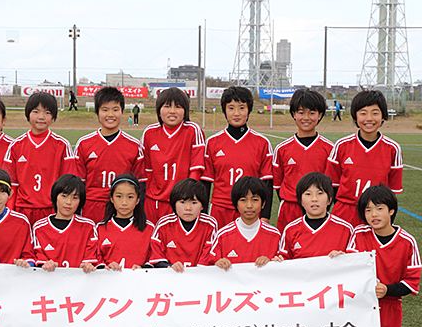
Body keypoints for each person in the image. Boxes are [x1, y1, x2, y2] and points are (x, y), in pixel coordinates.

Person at [271, 171, 353, 327]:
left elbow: (356, 267)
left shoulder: (345, 229)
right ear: (300, 200)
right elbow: (283, 260)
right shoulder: (291, 229)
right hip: (299, 302)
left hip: (330, 303)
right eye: (308, 194)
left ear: (330, 198)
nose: (314, 199)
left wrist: (345, 260)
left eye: (320, 193)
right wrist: (279, 261)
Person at [334, 185, 421, 327]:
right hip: (361, 305)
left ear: (391, 210)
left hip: (389, 306)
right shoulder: (359, 233)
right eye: (368, 210)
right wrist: (340, 258)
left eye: (379, 208)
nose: (373, 214)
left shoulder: (407, 242)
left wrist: (387, 290)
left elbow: (411, 282)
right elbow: (352, 267)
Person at [202, 176, 281, 327]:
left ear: (264, 204)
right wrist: (217, 262)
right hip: (233, 301)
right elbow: (205, 263)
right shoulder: (223, 233)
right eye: (243, 200)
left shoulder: (274, 234)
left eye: (255, 200)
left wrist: (274, 262)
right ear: (235, 203)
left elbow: (286, 267)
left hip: (264, 300)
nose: (249, 205)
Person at [325, 90, 403, 228]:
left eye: (375, 113)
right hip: (344, 213)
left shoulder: (392, 148)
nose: (369, 118)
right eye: (363, 113)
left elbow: (393, 190)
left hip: (376, 214)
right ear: (355, 117)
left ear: (383, 116)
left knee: (372, 249)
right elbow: (332, 184)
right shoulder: (342, 145)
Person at [202, 86, 273, 229]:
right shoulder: (213, 142)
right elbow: (205, 183)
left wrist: (265, 216)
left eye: (242, 108)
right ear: (224, 111)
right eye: (231, 108)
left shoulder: (262, 143)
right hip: (220, 209)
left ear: (249, 111)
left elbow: (267, 184)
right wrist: (203, 215)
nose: (236, 113)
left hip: (250, 209)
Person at [2, 91, 75, 225]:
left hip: (52, 211)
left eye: (47, 113)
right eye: (36, 111)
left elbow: (68, 184)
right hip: (22, 210)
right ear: (28, 114)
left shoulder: (62, 145)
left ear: (53, 117)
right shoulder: (16, 146)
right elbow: (11, 185)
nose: (41, 117)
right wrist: (9, 214)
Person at [73, 87, 144, 223]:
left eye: (115, 110)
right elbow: (78, 183)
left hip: (123, 208)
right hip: (91, 208)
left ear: (122, 112)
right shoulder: (84, 144)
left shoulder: (134, 145)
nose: (110, 114)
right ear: (97, 113)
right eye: (105, 110)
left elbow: (140, 183)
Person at [140, 88, 205, 224]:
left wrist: (186, 196)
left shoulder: (192, 130)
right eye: (167, 106)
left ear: (185, 111)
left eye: (178, 106)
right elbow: (146, 170)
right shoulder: (149, 133)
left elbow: (196, 169)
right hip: (154, 201)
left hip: (181, 202)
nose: (172, 111)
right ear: (158, 110)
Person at [273, 89, 334, 233]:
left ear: (320, 115)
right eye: (301, 112)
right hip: (290, 209)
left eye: (312, 113)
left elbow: (332, 184)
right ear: (293, 114)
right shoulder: (282, 149)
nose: (306, 117)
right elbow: (277, 184)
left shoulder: (330, 149)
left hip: (318, 209)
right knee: (287, 251)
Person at [32, 174, 99, 273]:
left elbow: (91, 259)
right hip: (48, 285)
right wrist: (45, 264)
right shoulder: (39, 227)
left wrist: (88, 266)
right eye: (64, 196)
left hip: (80, 285)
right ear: (55, 196)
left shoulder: (88, 226)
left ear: (80, 202)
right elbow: (37, 258)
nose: (69, 202)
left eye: (75, 198)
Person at [149, 178, 217, 272]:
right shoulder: (164, 224)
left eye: (194, 203)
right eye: (182, 202)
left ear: (202, 205)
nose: (188, 208)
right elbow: (156, 257)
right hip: (170, 278)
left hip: (199, 278)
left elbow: (209, 257)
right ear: (174, 204)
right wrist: (170, 267)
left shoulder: (210, 224)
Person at [97, 174, 154, 270]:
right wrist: (105, 267)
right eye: (119, 196)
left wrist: (142, 268)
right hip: (108, 282)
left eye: (130, 197)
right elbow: (96, 258)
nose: (124, 202)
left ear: (137, 200)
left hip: (139, 282)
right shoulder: (100, 228)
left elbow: (153, 258)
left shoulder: (149, 228)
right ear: (111, 198)